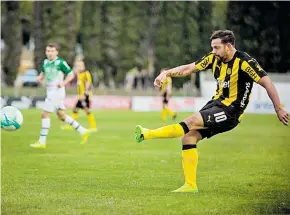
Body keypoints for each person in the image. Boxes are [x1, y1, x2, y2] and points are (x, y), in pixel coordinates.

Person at [135, 30, 289, 193]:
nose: (213, 52)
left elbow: (267, 83)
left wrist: (278, 108)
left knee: (191, 121)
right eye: (212, 48)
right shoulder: (212, 59)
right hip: (215, 104)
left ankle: (147, 134)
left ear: (228, 46)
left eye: (217, 48)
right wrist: (165, 73)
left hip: (231, 111)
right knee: (188, 138)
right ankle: (190, 185)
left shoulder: (245, 62)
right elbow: (189, 68)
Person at [30, 43, 91, 149]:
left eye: (52, 51)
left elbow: (71, 74)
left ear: (56, 52)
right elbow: (44, 73)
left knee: (45, 114)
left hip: (57, 91)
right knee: (61, 115)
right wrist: (39, 77)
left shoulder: (60, 62)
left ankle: (42, 141)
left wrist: (63, 83)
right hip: (50, 91)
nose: (50, 53)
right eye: (48, 51)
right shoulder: (45, 62)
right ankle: (83, 131)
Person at [61, 60, 97, 132]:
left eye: (80, 66)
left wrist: (84, 94)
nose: (78, 67)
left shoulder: (86, 73)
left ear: (83, 66)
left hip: (85, 95)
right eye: (77, 66)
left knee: (87, 110)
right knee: (75, 109)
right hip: (81, 95)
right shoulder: (79, 74)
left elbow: (88, 83)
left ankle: (93, 127)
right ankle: (71, 125)